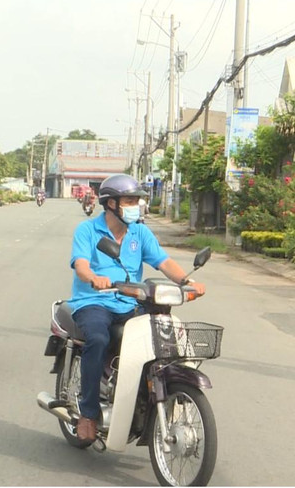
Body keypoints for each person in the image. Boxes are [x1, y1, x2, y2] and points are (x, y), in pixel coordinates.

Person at [67, 173, 206, 442]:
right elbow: (81, 264)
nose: (136, 206)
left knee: (164, 338)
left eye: (137, 200)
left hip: (132, 301)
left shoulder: (140, 232)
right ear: (111, 204)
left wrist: (187, 281)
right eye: (129, 200)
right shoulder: (87, 230)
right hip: (95, 301)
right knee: (97, 338)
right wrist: (94, 277)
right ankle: (88, 412)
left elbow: (163, 262)